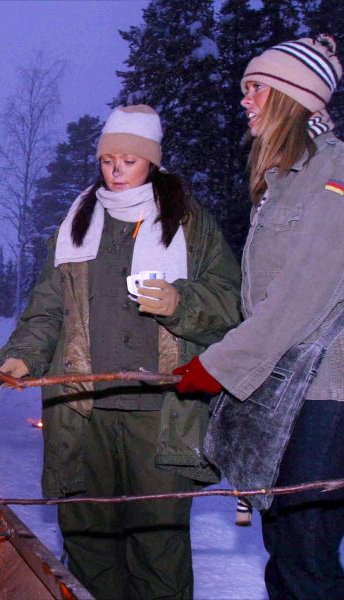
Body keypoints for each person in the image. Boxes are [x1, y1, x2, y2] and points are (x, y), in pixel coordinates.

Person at [0, 105, 241, 599]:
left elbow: (231, 303)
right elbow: (48, 305)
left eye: (128, 160)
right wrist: (23, 354)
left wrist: (180, 301)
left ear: (151, 161)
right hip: (81, 409)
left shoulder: (189, 224)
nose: (115, 170)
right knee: (87, 538)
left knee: (158, 543)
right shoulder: (77, 223)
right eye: (108, 159)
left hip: (161, 412)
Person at [174, 35, 344, 599]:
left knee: (305, 553)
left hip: (324, 393)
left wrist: (219, 365)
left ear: (294, 98)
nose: (245, 100)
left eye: (257, 89)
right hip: (289, 390)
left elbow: (301, 297)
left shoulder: (333, 173)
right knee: (287, 547)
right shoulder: (286, 180)